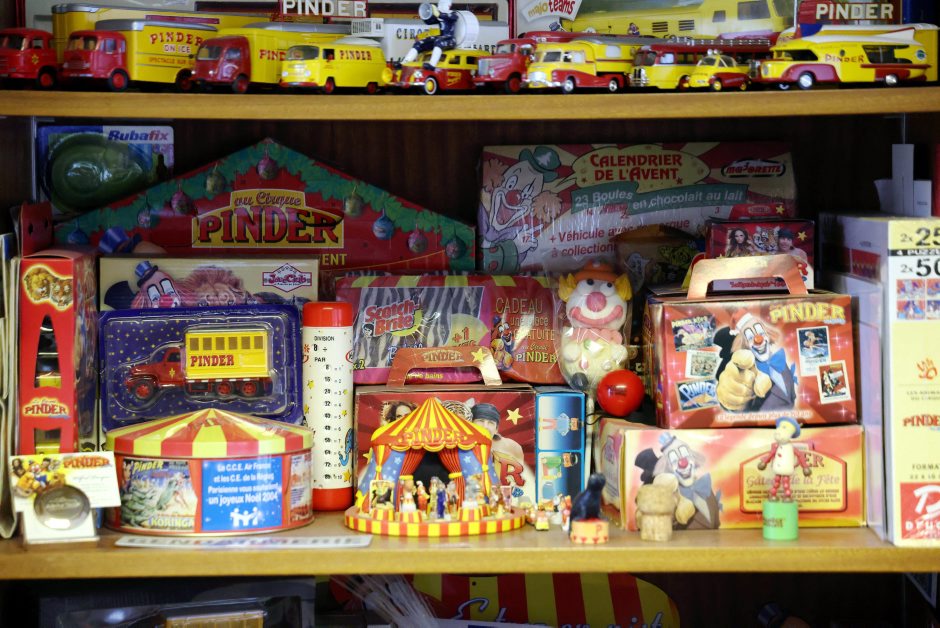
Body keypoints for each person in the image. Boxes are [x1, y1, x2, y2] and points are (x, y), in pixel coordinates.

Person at [399, 0, 458, 70]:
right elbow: (429, 22)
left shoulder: (453, 14)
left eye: (442, 3)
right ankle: (405, 63)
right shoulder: (439, 16)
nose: (440, 5)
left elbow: (452, 17)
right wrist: (427, 14)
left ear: (449, 5)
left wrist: (439, 14)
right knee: (420, 43)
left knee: (439, 42)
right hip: (441, 37)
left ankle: (432, 64)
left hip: (450, 39)